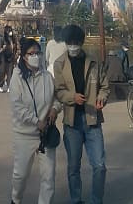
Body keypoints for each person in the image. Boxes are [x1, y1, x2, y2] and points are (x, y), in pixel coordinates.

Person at [54, 24, 110, 204]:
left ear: (81, 42)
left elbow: (104, 86)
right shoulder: (60, 63)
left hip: (92, 119)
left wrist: (101, 97)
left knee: (100, 166)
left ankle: (96, 200)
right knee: (73, 167)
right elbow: (59, 91)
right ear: (66, 43)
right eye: (70, 42)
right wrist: (72, 97)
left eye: (76, 42)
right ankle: (76, 199)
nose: (73, 46)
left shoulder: (93, 62)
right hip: (72, 122)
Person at [9, 37, 61, 204]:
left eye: (38, 53)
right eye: (32, 53)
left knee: (49, 176)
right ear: (24, 56)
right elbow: (17, 107)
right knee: (20, 174)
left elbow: (57, 98)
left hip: (45, 134)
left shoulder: (47, 76)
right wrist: (35, 121)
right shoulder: (17, 77)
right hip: (24, 134)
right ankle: (15, 199)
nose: (36, 56)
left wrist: (54, 109)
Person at [2, 26, 18, 92]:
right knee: (2, 71)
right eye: (9, 30)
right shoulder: (3, 38)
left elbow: (17, 47)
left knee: (10, 72)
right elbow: (1, 47)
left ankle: (9, 86)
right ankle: (0, 84)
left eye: (11, 30)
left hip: (11, 57)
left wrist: (16, 55)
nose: (10, 32)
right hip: (4, 57)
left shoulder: (14, 39)